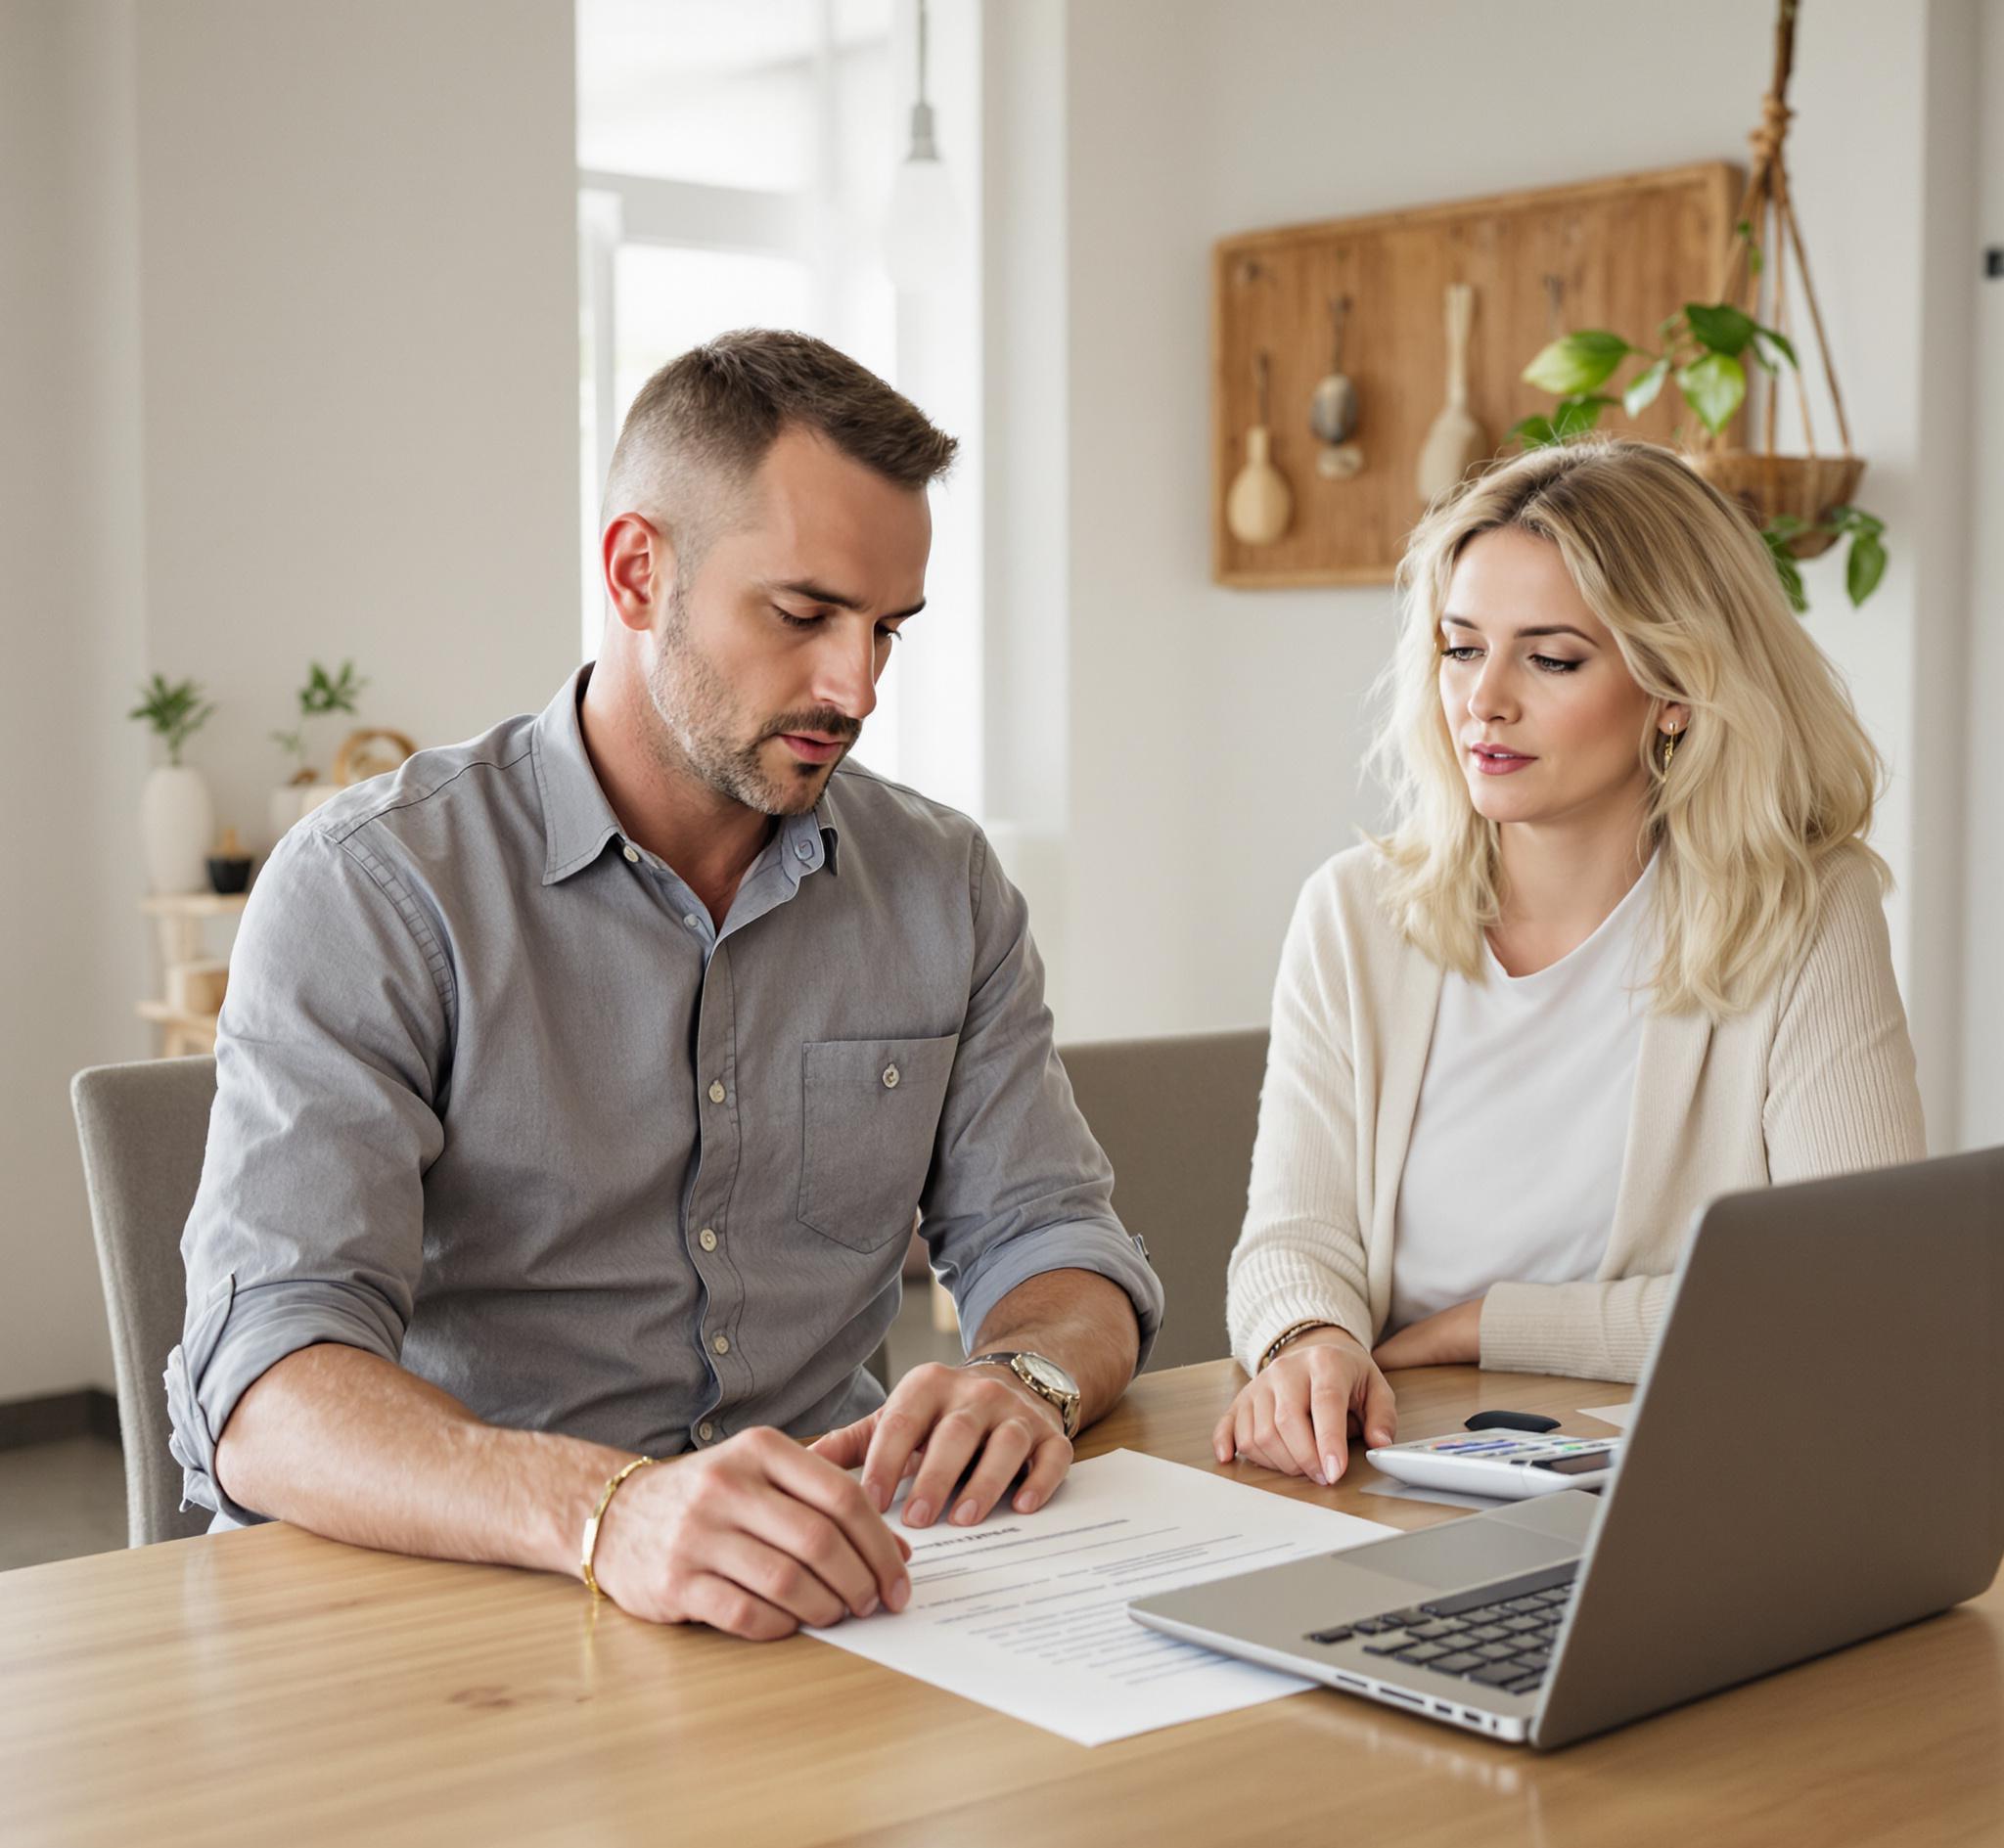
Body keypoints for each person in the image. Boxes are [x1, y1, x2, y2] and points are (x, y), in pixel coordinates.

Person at [168, 330, 1161, 1639]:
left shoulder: (941, 884)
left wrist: (1024, 1377)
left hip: (833, 1613)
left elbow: (1059, 1245)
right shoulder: (376, 888)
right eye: (803, 616)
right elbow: (267, 1386)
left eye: (887, 631)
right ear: (640, 572)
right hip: (472, 1609)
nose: (854, 686)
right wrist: (608, 1512)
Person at [1215, 435, 1923, 1486]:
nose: (1482, 701)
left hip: (1689, 1486)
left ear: (1674, 688)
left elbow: (1856, 1293)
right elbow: (1289, 1239)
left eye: (1548, 657)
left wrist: (1490, 1324)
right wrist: (1306, 1338)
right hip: (1381, 1471)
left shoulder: (1805, 910)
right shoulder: (1351, 915)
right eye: (1460, 648)